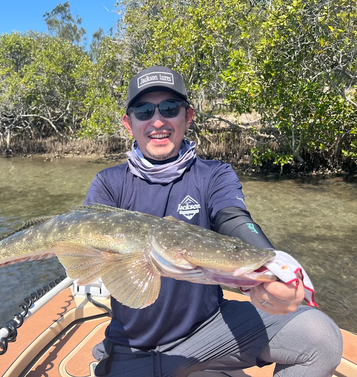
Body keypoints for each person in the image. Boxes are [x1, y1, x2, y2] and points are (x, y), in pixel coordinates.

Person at [84, 66, 342, 376]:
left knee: (320, 338)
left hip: (209, 330)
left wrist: (272, 269)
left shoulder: (214, 174)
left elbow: (234, 219)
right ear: (129, 123)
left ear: (187, 117)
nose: (157, 121)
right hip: (130, 345)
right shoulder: (108, 183)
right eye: (143, 111)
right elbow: (91, 257)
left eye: (169, 108)